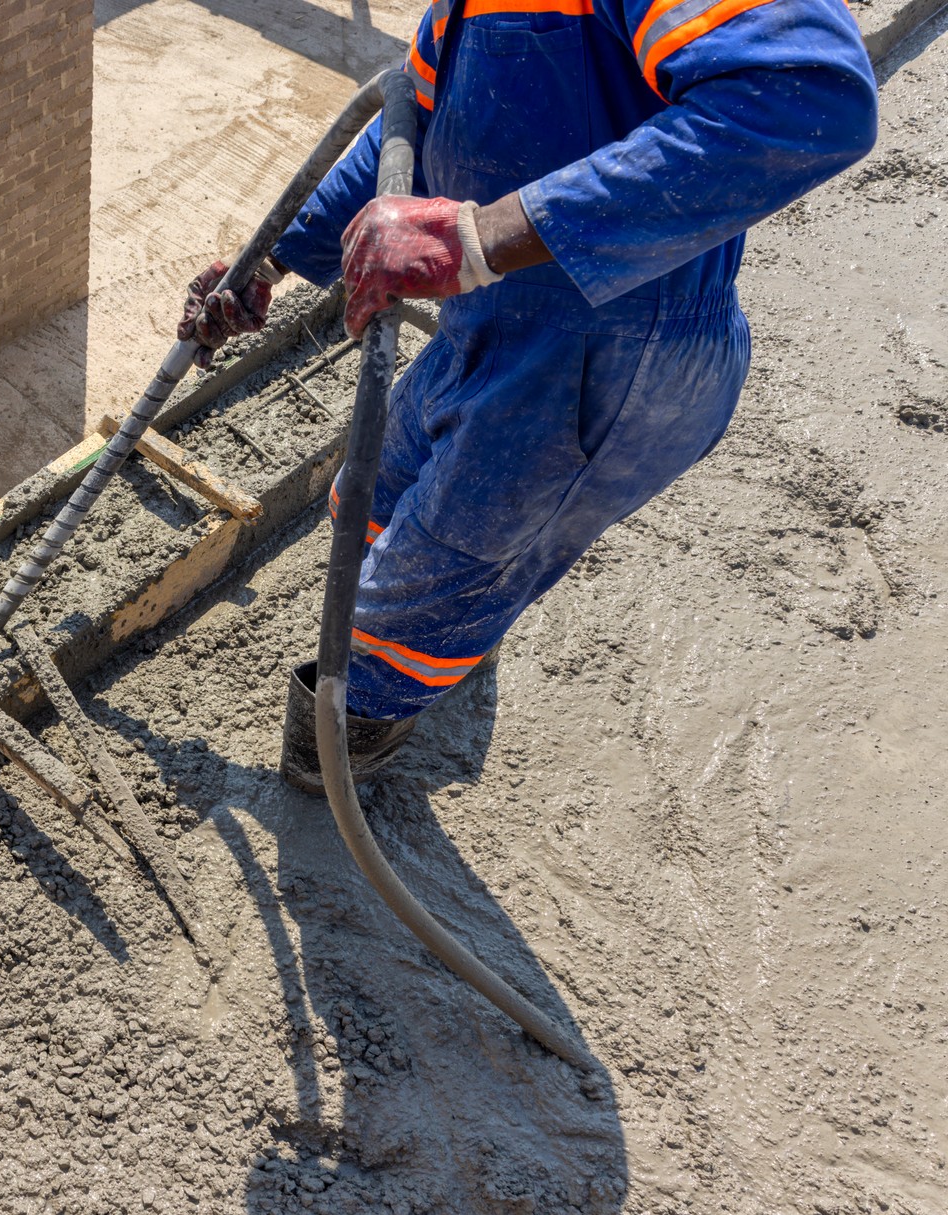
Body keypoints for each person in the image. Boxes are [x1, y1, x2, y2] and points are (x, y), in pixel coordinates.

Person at [176, 0, 878, 792]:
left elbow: (810, 98)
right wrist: (275, 256)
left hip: (612, 357)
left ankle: (336, 776)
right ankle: (453, 635)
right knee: (364, 504)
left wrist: (482, 238)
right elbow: (415, 121)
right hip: (491, 319)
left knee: (409, 607)